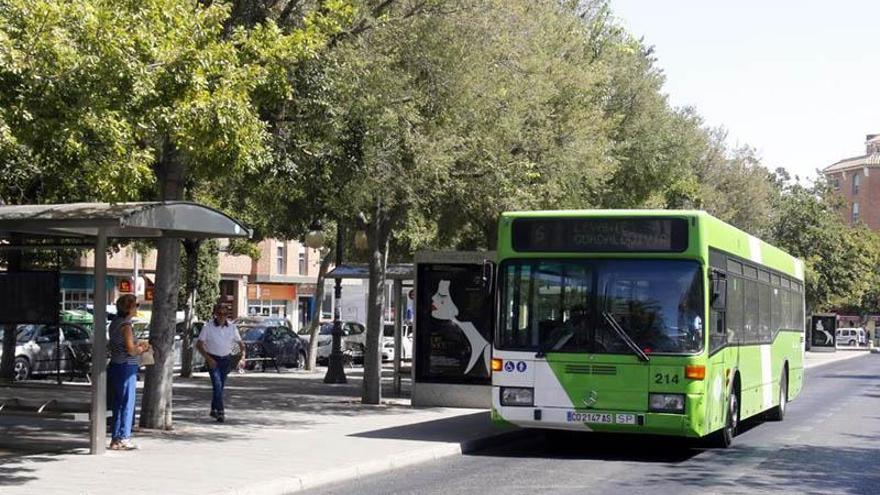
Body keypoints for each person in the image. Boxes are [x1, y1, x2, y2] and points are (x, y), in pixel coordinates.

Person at [108, 294, 150, 451]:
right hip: (126, 366)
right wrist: (142, 348)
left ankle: (116, 438)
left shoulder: (114, 323)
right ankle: (124, 437)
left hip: (116, 364)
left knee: (118, 403)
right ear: (129, 308)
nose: (138, 308)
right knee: (127, 402)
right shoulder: (126, 325)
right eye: (136, 305)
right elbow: (131, 350)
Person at [196, 303, 245, 422]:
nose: (222, 316)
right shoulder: (208, 327)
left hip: (226, 359)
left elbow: (240, 343)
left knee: (220, 386)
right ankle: (221, 411)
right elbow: (199, 344)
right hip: (213, 359)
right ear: (215, 314)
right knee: (217, 385)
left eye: (224, 314)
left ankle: (214, 409)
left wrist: (242, 357)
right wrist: (208, 358)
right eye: (219, 314)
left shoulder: (232, 327)